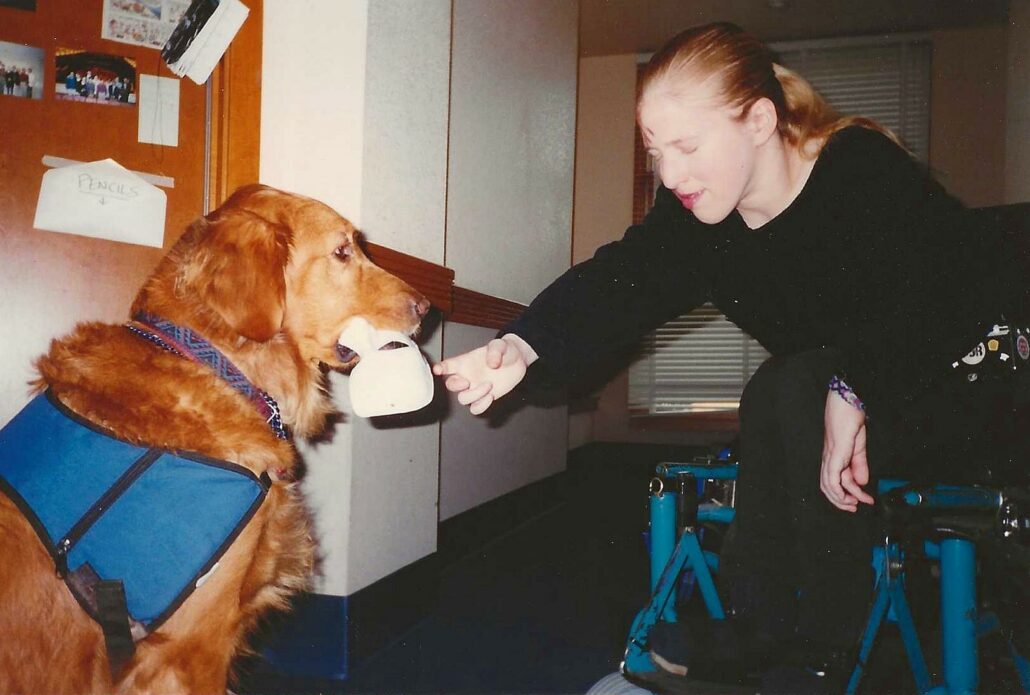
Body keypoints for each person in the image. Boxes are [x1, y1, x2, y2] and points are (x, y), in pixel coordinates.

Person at [434, 21, 1026, 694]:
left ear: (759, 120)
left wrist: (854, 387)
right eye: (656, 151)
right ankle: (759, 625)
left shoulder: (857, 167)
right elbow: (623, 277)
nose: (670, 173)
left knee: (799, 381)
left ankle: (822, 653)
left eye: (687, 145)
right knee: (778, 387)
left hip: (973, 384)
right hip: (834, 395)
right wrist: (524, 341)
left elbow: (941, 297)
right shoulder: (701, 224)